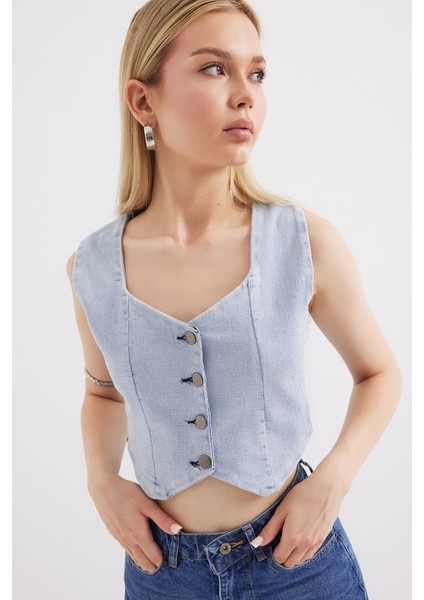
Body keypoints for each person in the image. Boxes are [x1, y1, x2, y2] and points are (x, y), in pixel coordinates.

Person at [66, 1, 402, 598]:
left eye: (258, 73)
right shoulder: (92, 267)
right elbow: (103, 392)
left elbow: (379, 373)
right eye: (214, 68)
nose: (246, 95)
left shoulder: (303, 242)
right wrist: (101, 479)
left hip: (299, 565)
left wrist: (332, 480)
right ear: (143, 101)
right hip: (162, 574)